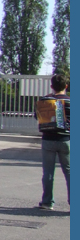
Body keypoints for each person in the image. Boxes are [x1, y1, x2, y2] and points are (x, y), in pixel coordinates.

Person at [35, 74, 70, 210]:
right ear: (66, 86)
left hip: (48, 140)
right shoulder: (70, 101)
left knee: (48, 173)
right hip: (66, 140)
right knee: (69, 172)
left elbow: (37, 116)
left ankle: (47, 202)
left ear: (51, 86)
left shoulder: (45, 100)